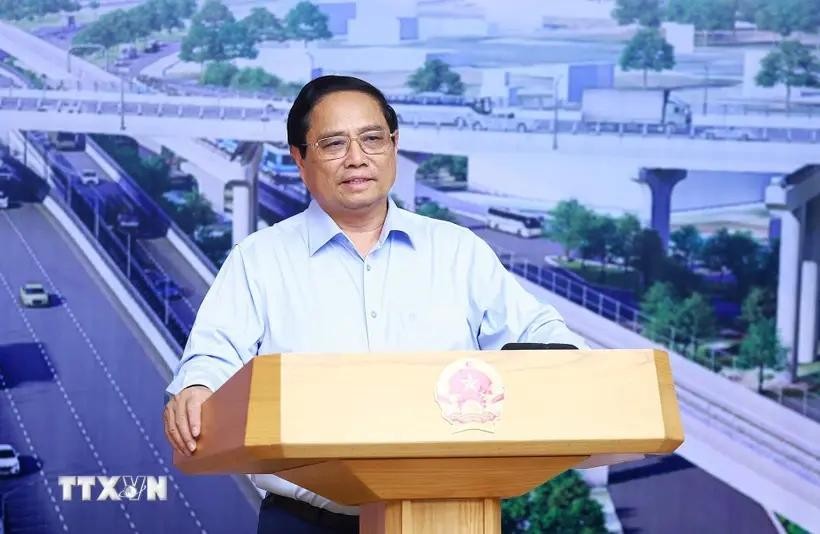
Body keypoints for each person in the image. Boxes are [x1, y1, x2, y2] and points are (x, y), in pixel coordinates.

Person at [163, 75, 588, 534]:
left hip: (450, 517)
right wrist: (197, 389)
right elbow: (212, 357)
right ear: (300, 159)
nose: (357, 158)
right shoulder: (259, 259)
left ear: (394, 146)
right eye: (333, 144)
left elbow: (546, 340)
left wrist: (565, 368)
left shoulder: (457, 251)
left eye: (372, 139)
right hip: (309, 522)